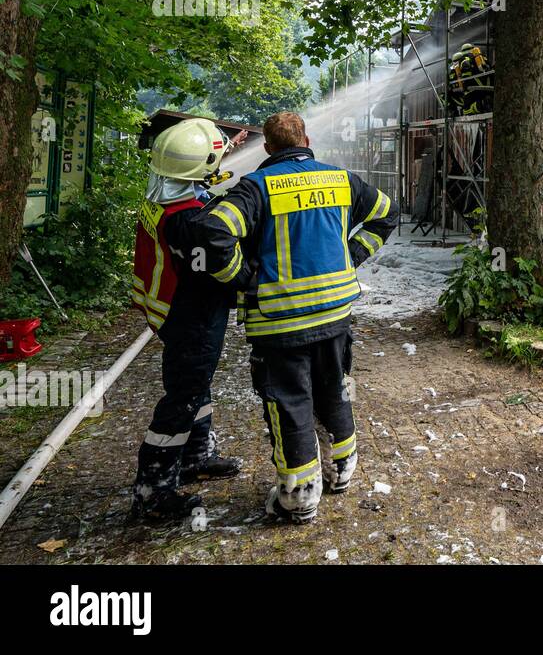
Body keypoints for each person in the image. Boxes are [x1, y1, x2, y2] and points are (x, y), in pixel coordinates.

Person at [191, 111, 397, 524]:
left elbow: (212, 232)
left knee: (290, 402)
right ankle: (341, 471)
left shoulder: (255, 188)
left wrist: (244, 277)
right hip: (336, 313)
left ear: (268, 147)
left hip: (281, 320)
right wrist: (352, 257)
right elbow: (387, 213)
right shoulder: (341, 180)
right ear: (306, 138)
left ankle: (300, 498)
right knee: (335, 389)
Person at [131, 118, 246, 520]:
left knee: (197, 384)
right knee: (182, 396)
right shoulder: (191, 221)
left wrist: (226, 150)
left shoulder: (161, 196)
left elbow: (197, 188)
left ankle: (197, 455)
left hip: (164, 307)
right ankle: (154, 490)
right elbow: (214, 266)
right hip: (191, 314)